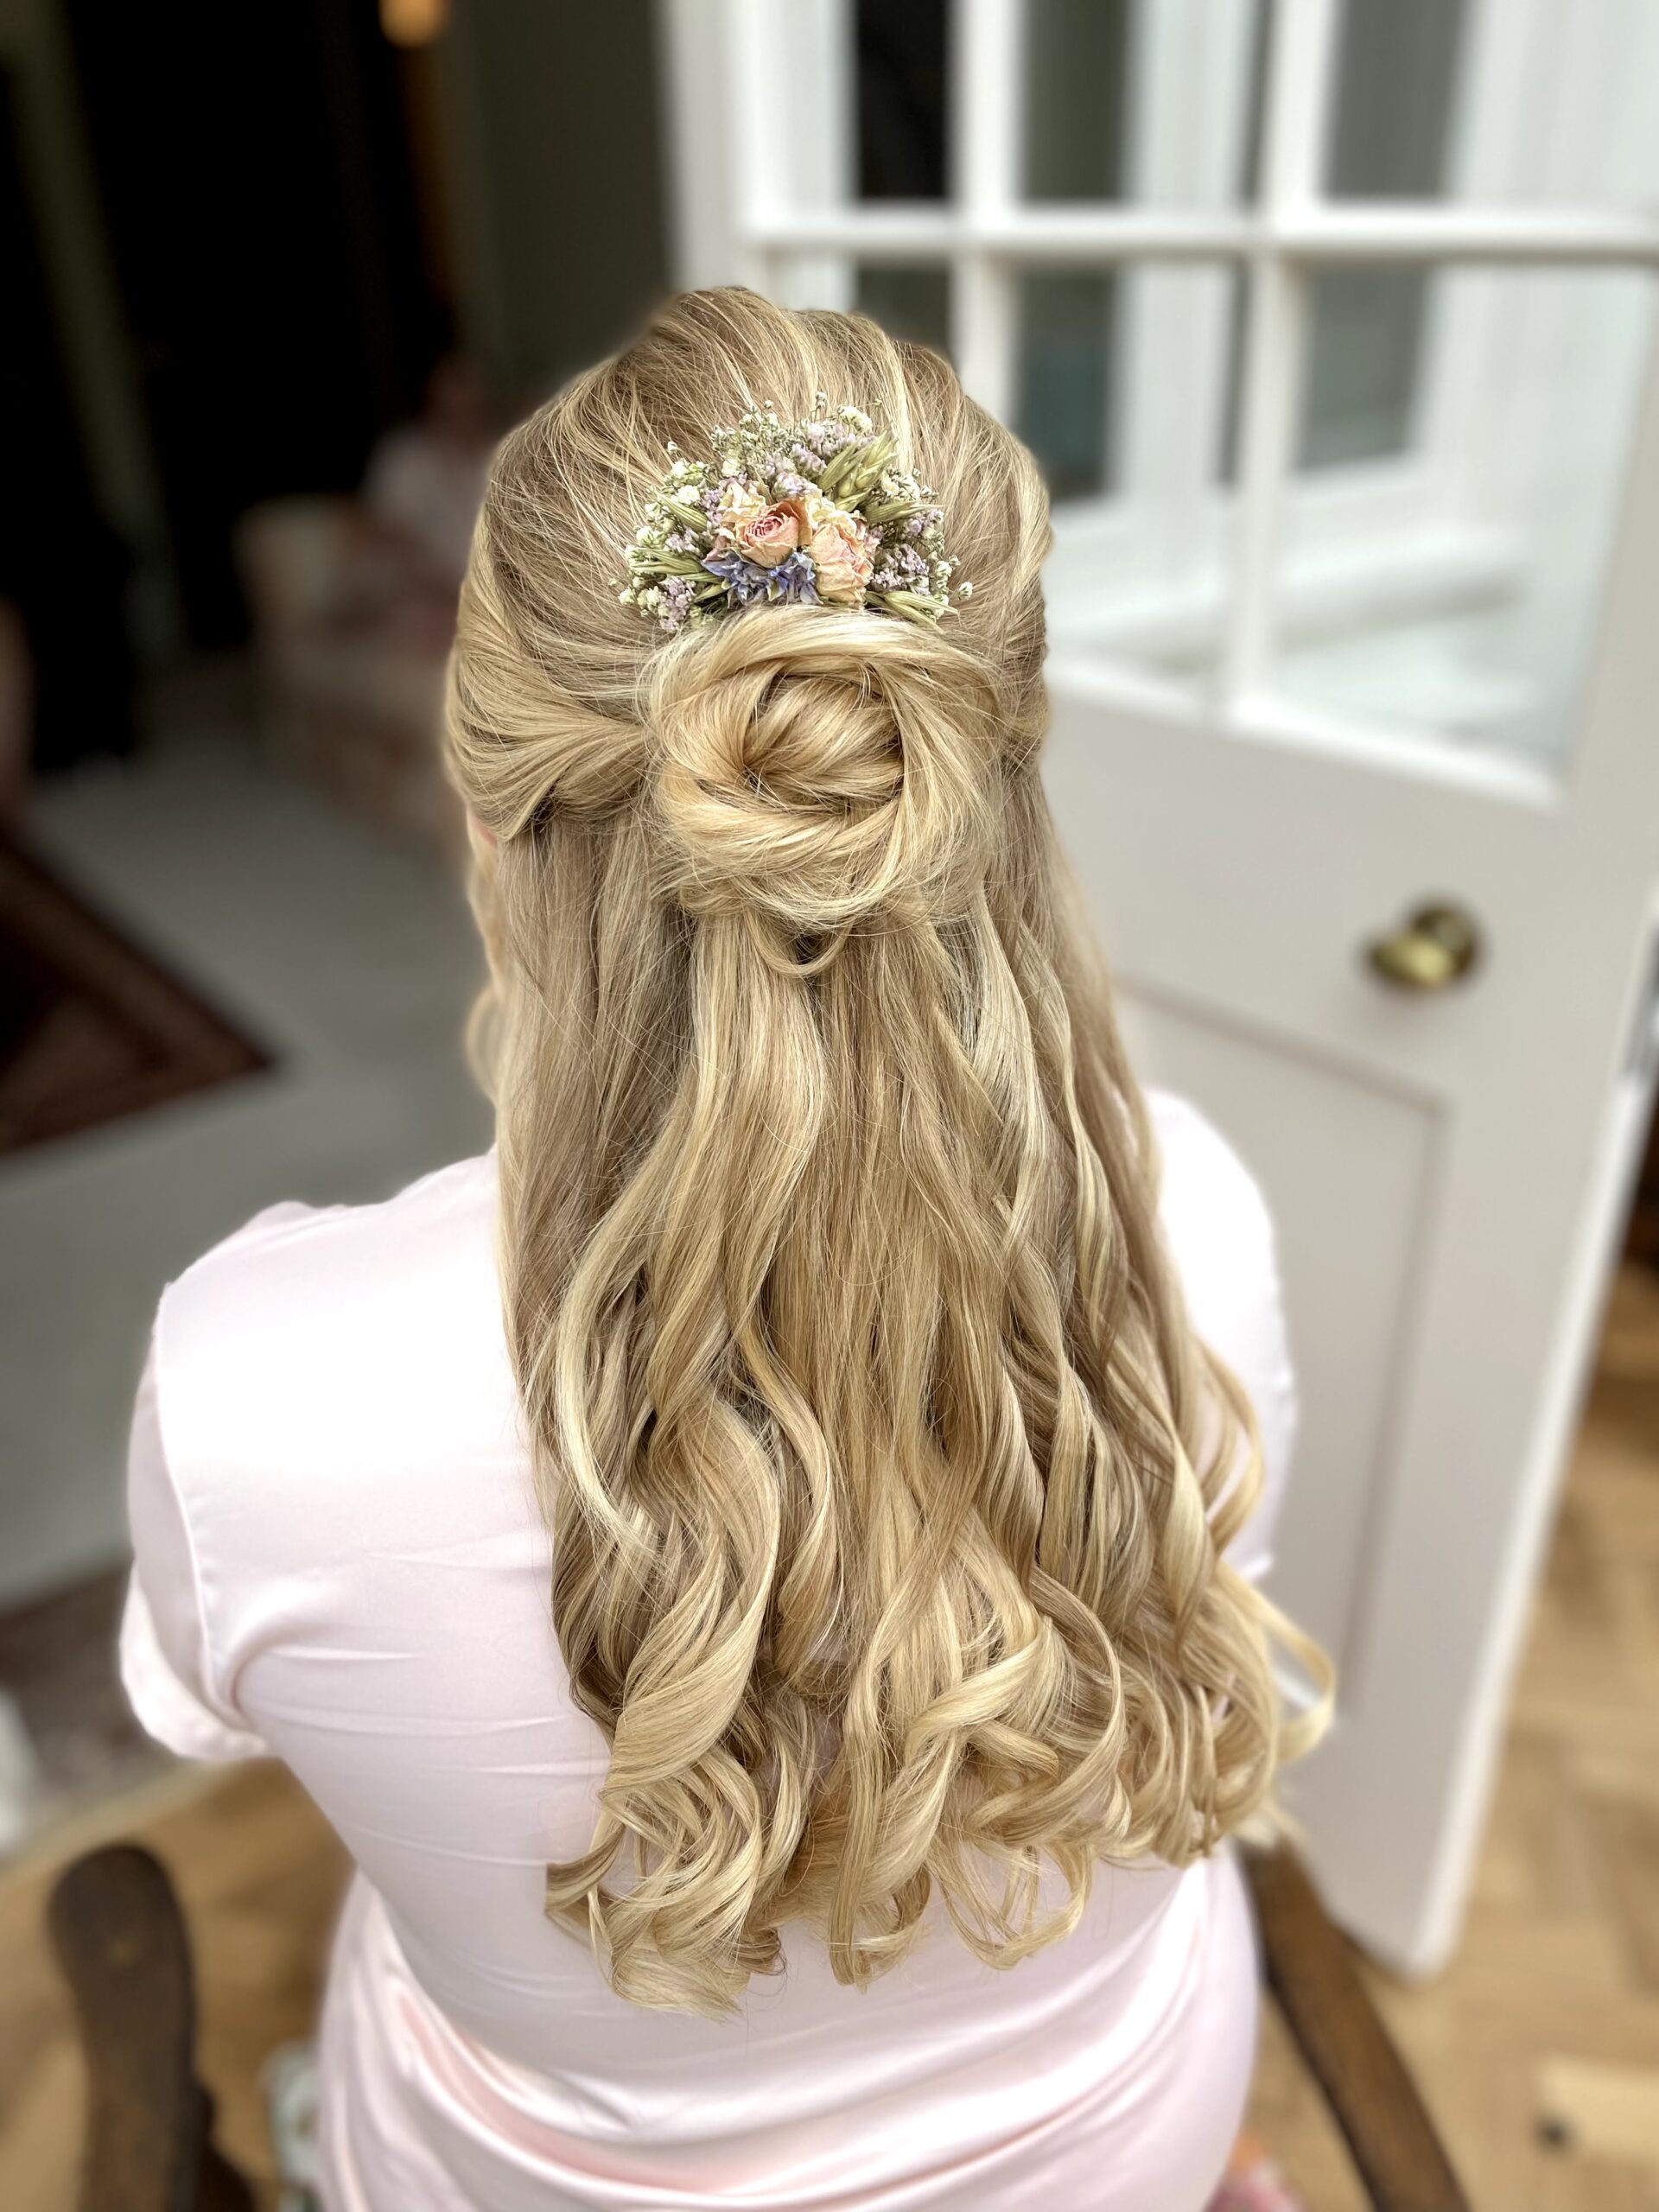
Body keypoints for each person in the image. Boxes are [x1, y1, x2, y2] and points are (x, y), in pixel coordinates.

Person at [121, 288, 1326, 2212]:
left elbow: (215, 1704)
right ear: (989, 786)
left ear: (491, 822)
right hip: (1114, 2151)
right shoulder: (1199, 1213)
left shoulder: (258, 1391)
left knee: (397, 1936)